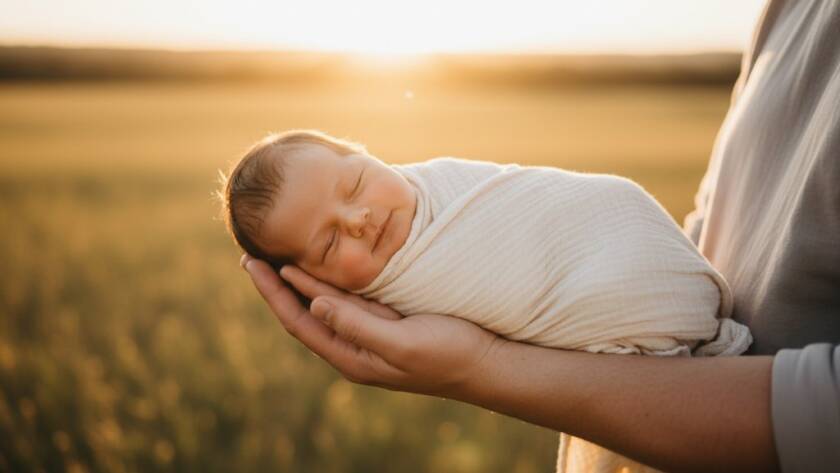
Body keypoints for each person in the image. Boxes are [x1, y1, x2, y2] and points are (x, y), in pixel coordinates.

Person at [241, 0, 840, 471]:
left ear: (369, 154)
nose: (359, 219)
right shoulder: (784, 11)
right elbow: (728, 212)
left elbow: (556, 215)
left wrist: (482, 366)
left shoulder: (445, 186)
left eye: (355, 185)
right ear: (309, 280)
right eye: (327, 245)